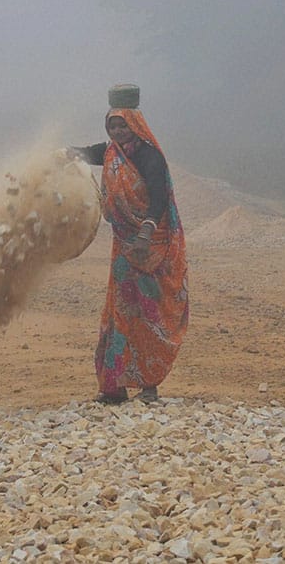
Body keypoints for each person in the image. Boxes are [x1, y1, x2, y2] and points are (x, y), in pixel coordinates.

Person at [68, 86, 189, 404]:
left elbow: (159, 197)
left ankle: (149, 385)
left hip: (150, 248)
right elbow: (81, 153)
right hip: (124, 250)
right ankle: (113, 387)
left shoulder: (150, 157)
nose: (117, 131)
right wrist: (56, 154)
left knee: (149, 315)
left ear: (135, 124)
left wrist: (146, 231)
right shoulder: (109, 153)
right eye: (112, 126)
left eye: (122, 125)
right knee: (119, 314)